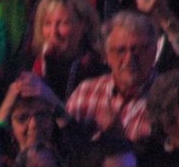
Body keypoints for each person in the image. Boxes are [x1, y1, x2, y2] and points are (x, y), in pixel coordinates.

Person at [66, 11, 158, 143]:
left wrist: (119, 137)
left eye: (137, 50)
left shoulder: (165, 98)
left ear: (154, 52)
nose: (129, 59)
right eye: (121, 51)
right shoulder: (85, 91)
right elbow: (66, 144)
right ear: (107, 56)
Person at [22, 0, 105, 102]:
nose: (53, 33)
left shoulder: (95, 67)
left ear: (84, 24)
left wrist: (49, 96)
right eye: (47, 23)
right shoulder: (38, 64)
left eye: (63, 23)